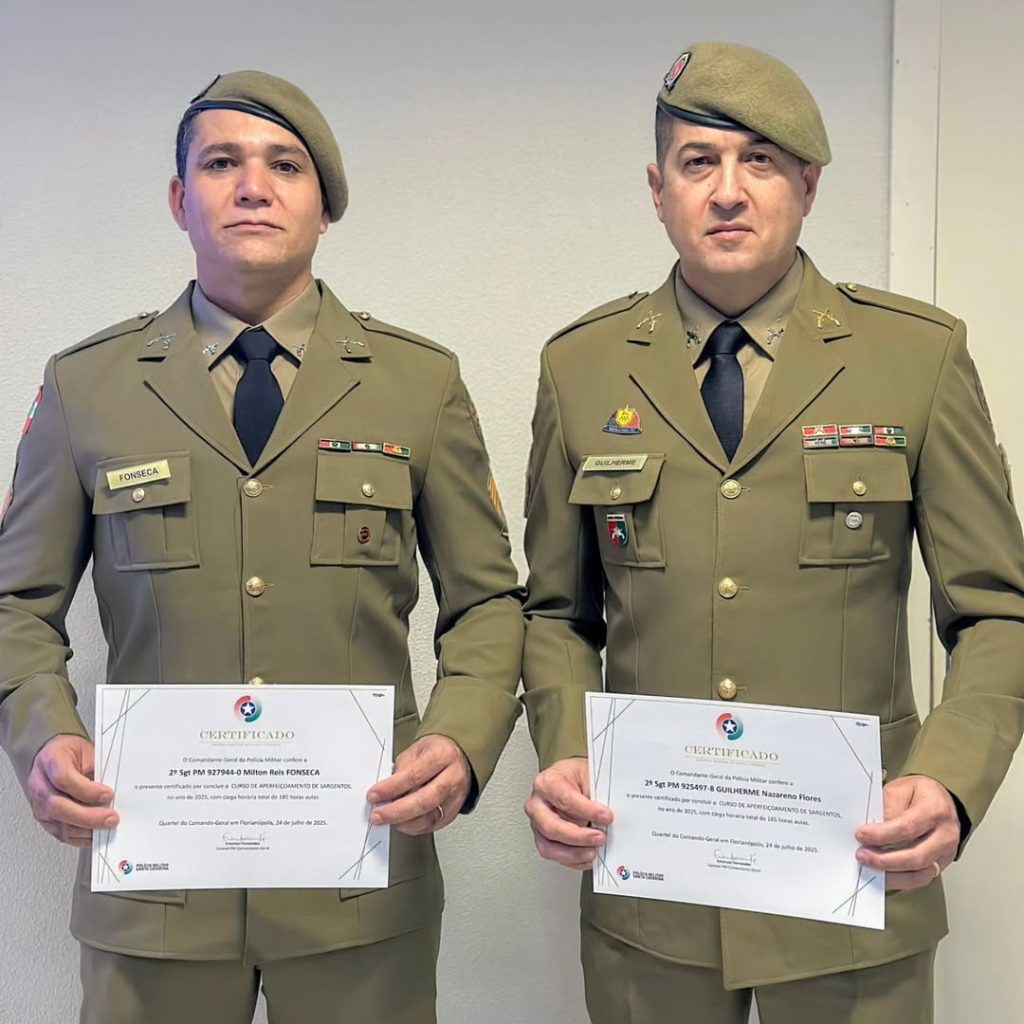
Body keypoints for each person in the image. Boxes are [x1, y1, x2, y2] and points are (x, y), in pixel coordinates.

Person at [0, 69, 523, 1024]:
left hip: (360, 883)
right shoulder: (89, 386)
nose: (252, 187)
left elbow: (488, 601)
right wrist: (43, 735)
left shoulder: (418, 383)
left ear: (326, 206)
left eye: (285, 165)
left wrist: (462, 737)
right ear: (180, 199)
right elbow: (15, 605)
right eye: (221, 163)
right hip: (153, 887)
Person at [520, 40, 1024, 1024]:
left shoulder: (914, 357)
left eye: (759, 161)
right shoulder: (581, 367)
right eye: (697, 162)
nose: (727, 191)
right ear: (657, 190)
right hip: (652, 896)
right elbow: (555, 613)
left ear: (808, 186)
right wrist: (568, 747)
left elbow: (996, 613)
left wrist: (951, 781)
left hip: (854, 883)